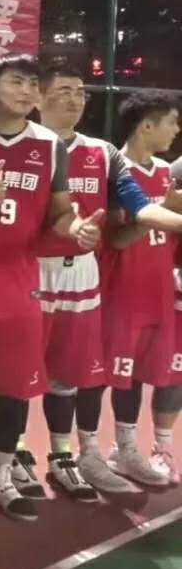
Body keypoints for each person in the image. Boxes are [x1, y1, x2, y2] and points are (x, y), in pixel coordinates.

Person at [0, 54, 102, 522]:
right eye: (16, 82)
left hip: (19, 290)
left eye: (33, 84)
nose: (27, 91)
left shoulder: (49, 146)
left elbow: (60, 213)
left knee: (15, 391)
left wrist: (76, 228)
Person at [24, 65, 182, 499]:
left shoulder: (102, 152)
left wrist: (172, 217)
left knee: (81, 374)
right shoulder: (23, 146)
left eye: (81, 91)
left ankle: (79, 455)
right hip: (30, 273)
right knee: (19, 375)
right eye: (64, 90)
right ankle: (12, 457)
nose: (75, 98)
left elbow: (139, 207)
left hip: (84, 276)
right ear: (39, 97)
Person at [99, 94, 182, 489]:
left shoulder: (169, 172)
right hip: (124, 292)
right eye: (172, 122)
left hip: (161, 290)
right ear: (146, 126)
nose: (176, 130)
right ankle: (124, 448)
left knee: (164, 371)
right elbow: (116, 239)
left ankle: (160, 448)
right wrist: (159, 212)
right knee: (125, 376)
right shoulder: (116, 170)